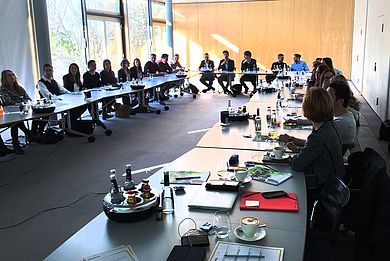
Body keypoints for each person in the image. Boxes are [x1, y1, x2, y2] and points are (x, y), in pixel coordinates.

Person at [280, 87, 344, 191]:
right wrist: (298, 150)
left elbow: (297, 165)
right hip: (335, 182)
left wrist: (296, 155)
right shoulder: (329, 125)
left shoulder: (318, 137)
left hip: (325, 187)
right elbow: (315, 152)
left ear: (307, 110)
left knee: (286, 181)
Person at [0, 69, 31, 154]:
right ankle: (19, 142)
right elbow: (8, 102)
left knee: (40, 113)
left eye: (13, 75)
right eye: (9, 75)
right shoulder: (3, 89)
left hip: (23, 110)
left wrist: (23, 103)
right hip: (10, 113)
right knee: (15, 123)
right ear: (4, 78)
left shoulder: (19, 88)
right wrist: (21, 103)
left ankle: (32, 133)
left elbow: (28, 99)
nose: (12, 77)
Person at [327, 82, 356, 153]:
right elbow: (322, 119)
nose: (325, 99)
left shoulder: (341, 123)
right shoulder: (346, 113)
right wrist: (297, 121)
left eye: (329, 96)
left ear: (340, 101)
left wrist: (296, 141)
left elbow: (317, 144)